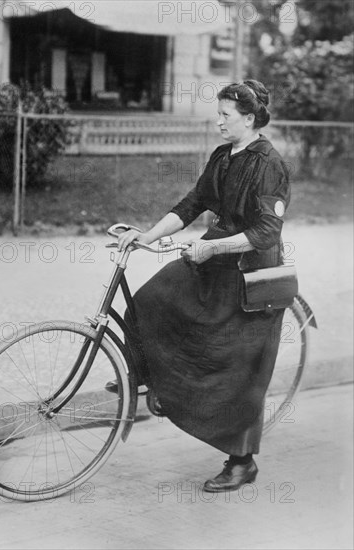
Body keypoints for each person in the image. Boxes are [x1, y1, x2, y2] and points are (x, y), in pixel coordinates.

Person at [117, 80, 291, 492]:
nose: (218, 122)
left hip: (250, 272)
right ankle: (156, 381)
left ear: (249, 119)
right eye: (219, 114)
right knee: (151, 300)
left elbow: (266, 231)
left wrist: (213, 250)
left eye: (225, 116)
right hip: (213, 255)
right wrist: (148, 236)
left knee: (235, 368)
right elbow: (193, 203)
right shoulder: (223, 155)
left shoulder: (270, 163)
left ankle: (242, 461)